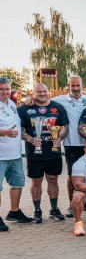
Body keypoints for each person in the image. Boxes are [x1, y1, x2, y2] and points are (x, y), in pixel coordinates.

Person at [18, 83, 69, 223]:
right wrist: (30, 139)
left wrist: (59, 138)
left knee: (53, 179)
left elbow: (65, 127)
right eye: (39, 91)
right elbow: (19, 129)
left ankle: (54, 209)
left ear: (48, 92)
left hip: (53, 151)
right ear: (33, 93)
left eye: (44, 91)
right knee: (36, 181)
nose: (42, 94)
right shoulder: (24, 109)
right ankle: (37, 211)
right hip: (34, 152)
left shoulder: (58, 108)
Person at [50, 75, 86, 217]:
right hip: (71, 144)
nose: (75, 88)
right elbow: (44, 101)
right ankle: (71, 205)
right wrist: (31, 99)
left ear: (82, 86)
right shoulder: (59, 100)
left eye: (77, 85)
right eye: (72, 86)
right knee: (72, 176)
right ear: (68, 86)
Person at [0, 77, 30, 231]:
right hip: (0, 155)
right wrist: (5, 132)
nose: (5, 92)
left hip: (15, 154)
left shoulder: (11, 104)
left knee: (18, 183)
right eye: (1, 89)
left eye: (7, 89)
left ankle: (14, 211)